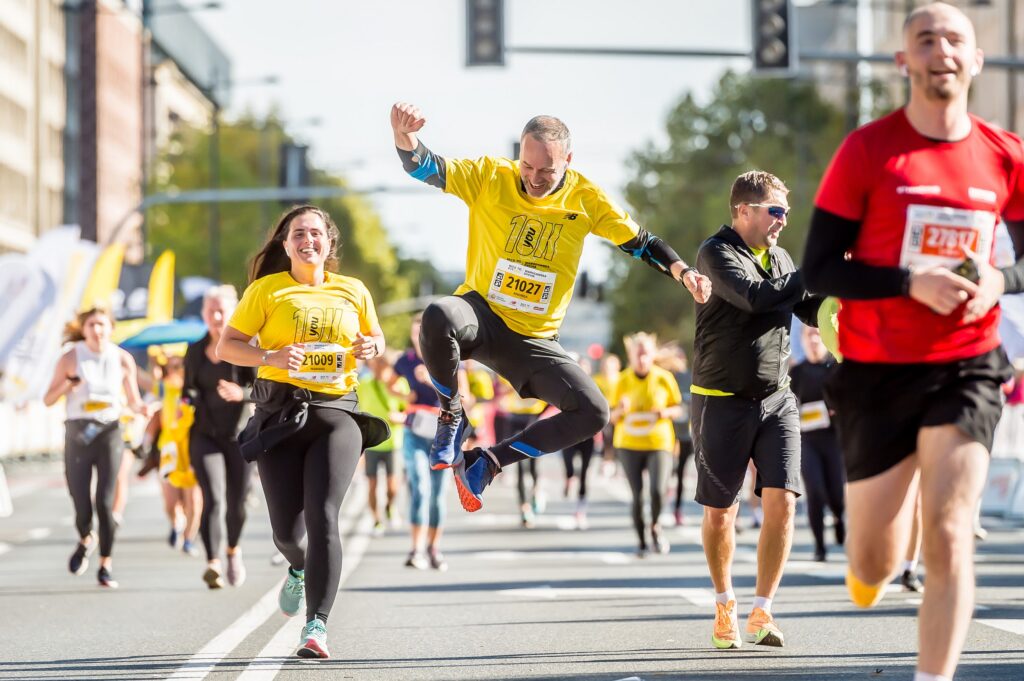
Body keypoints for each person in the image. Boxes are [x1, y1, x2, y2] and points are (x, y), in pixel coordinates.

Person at [802, 4, 1024, 679]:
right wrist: (907, 281)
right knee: (871, 560)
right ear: (905, 62)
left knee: (953, 528)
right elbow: (819, 271)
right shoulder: (868, 151)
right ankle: (878, 557)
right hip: (876, 370)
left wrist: (999, 275)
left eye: (954, 38)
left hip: (967, 363)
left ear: (976, 59)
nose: (941, 50)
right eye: (924, 39)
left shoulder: (1006, 156)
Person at [391, 102, 711, 511]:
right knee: (438, 315)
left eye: (546, 171)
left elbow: (641, 242)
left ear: (568, 161)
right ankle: (452, 416)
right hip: (482, 315)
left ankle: (488, 461)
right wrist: (405, 136)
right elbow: (424, 167)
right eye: (527, 167)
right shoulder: (492, 175)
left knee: (593, 412)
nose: (534, 179)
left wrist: (684, 273)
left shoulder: (586, 198)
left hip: (532, 338)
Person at [217, 205, 390, 659]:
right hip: (281, 416)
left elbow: (376, 339)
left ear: (330, 242)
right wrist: (271, 358)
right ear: (286, 243)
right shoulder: (266, 290)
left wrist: (373, 345)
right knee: (288, 534)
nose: (307, 239)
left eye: (315, 233)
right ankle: (298, 566)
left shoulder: (353, 290)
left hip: (336, 412)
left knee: (323, 514)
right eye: (298, 233)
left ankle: (316, 626)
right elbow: (227, 344)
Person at [691, 170, 822, 650]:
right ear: (744, 211)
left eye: (786, 212)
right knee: (721, 514)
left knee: (782, 502)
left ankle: (762, 611)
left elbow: (808, 307)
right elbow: (755, 298)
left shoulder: (782, 257)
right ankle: (724, 602)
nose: (783, 221)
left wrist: (842, 289)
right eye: (776, 211)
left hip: (777, 400)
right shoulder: (716, 252)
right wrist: (818, 267)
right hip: (720, 402)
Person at [43, 307, 152, 588]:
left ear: (111, 328)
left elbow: (133, 400)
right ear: (84, 328)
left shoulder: (121, 359)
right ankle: (85, 538)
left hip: (109, 431)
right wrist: (68, 385)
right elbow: (48, 399)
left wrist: (143, 410)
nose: (97, 330)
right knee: (80, 501)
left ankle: (105, 564)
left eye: (102, 324)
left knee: (105, 502)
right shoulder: (71, 357)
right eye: (92, 325)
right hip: (78, 431)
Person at [183, 285, 257, 589]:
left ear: (234, 313)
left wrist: (241, 393)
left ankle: (232, 550)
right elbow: (189, 387)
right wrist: (187, 401)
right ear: (203, 314)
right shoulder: (195, 350)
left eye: (221, 310)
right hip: (204, 434)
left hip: (239, 436)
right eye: (210, 310)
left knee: (236, 501)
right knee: (211, 497)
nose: (215, 316)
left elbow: (263, 390)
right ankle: (212, 562)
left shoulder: (245, 348)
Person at [392, 313, 469, 570]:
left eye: (423, 331)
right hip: (415, 431)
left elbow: (465, 397)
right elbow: (387, 380)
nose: (418, 336)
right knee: (420, 488)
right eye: (415, 331)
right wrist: (402, 399)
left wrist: (432, 381)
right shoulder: (405, 361)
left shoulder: (450, 359)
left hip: (443, 433)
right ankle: (416, 550)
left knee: (436, 494)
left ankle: (434, 549)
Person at [610, 332, 682, 556]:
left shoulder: (664, 378)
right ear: (630, 356)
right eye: (637, 354)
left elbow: (679, 409)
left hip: (659, 442)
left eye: (645, 354)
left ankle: (655, 526)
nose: (641, 359)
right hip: (628, 443)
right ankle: (642, 541)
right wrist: (620, 410)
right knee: (638, 495)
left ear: (652, 355)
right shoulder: (622, 380)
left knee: (658, 491)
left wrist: (664, 412)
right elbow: (610, 417)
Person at [789, 325, 845, 562]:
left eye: (816, 335)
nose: (813, 340)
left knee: (836, 494)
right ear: (801, 340)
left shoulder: (835, 368)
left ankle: (840, 518)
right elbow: (787, 405)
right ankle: (819, 546)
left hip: (833, 440)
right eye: (808, 335)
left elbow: (849, 399)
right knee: (815, 491)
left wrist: (835, 410)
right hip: (807, 441)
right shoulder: (796, 373)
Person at [356, 353, 407, 537]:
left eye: (382, 367)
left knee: (393, 486)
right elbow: (357, 411)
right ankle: (376, 520)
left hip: (394, 442)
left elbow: (408, 409)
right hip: (372, 444)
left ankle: (389, 506)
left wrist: (400, 417)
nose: (378, 370)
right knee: (372, 485)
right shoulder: (365, 385)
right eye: (375, 366)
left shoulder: (399, 385)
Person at [561, 354, 597, 529]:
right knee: (569, 465)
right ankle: (568, 477)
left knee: (584, 472)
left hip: (588, 437)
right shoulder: (568, 386)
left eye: (585, 367)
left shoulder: (596, 387)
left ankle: (580, 509)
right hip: (569, 434)